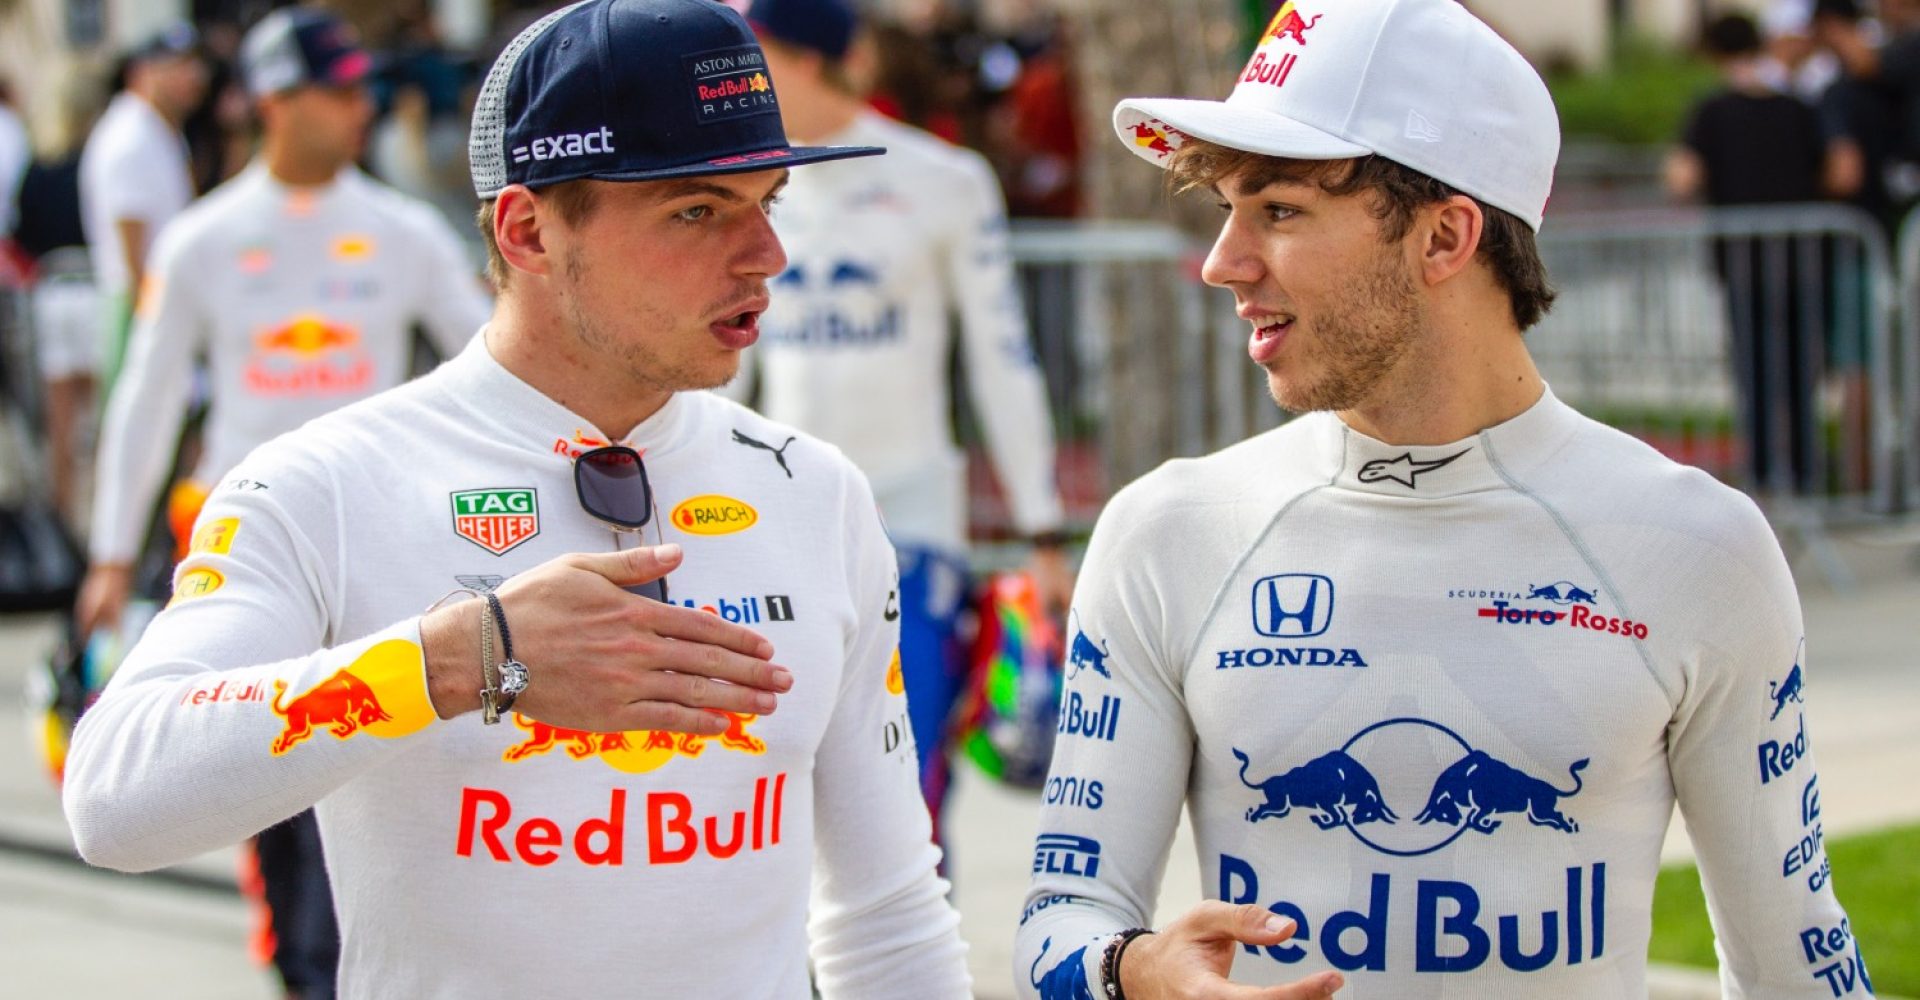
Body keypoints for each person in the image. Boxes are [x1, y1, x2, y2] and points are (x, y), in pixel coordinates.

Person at [62, 2, 970, 997]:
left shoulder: (816, 492)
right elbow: (115, 796)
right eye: (699, 211)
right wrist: (462, 659)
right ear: (528, 230)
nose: (766, 257)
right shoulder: (322, 483)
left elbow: (887, 913)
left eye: (770, 202)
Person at [1017, 0, 1868, 997]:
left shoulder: (1695, 545)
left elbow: (1797, 966)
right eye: (1226, 212)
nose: (1223, 263)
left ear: (1446, 236)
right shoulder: (1169, 529)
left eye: (1279, 210)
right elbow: (1057, 923)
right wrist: (1135, 970)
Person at [74, 10, 492, 997]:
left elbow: (486, 360)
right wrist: (105, 553)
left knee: (387, 764)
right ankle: (307, 976)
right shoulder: (203, 236)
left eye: (361, 89)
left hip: (379, 534)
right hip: (246, 549)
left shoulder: (402, 229)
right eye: (338, 89)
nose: (361, 108)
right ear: (270, 101)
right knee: (270, 766)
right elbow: (146, 396)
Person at [739, 0, 1073, 843]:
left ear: (809, 58)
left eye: (757, 54)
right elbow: (724, 375)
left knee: (905, 791)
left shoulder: (943, 178)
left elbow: (1003, 360)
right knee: (775, 797)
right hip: (776, 526)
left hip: (910, 530)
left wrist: (1042, 530)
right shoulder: (739, 181)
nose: (739, 75)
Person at [1668, 12, 1837, 495]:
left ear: (1715, 54)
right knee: (1801, 369)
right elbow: (1834, 172)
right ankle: (1806, 473)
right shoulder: (1799, 108)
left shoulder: (1712, 112)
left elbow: (1682, 177)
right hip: (1803, 258)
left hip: (1742, 262)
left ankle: (1763, 474)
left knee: (1754, 369)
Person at [77, 22, 207, 387]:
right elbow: (133, 252)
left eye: (192, 65)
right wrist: (156, 329)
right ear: (142, 73)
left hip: (160, 304)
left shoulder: (159, 129)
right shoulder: (130, 138)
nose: (192, 77)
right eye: (177, 66)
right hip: (140, 310)